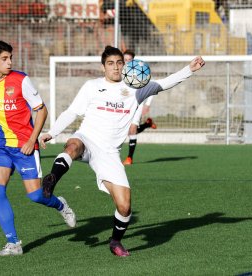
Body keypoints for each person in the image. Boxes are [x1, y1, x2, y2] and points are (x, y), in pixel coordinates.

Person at [40, 46, 205, 257]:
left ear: (124, 65)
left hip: (109, 153)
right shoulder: (92, 86)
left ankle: (115, 241)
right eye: (111, 63)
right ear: (103, 67)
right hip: (87, 139)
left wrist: (189, 69)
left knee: (125, 205)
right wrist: (51, 132)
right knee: (72, 146)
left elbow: (164, 83)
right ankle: (52, 180)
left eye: (119, 63)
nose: (116, 67)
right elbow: (72, 112)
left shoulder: (136, 88)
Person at [0, 41, 76, 256]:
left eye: (10, 58)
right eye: (4, 59)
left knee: (36, 196)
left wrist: (32, 140)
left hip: (24, 145)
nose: (9, 62)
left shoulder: (21, 80)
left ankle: (60, 205)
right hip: (0, 145)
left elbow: (41, 110)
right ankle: (14, 244)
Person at [123, 49, 157, 165]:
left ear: (133, 60)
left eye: (129, 60)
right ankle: (147, 124)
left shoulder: (139, 71)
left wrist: (147, 104)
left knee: (132, 130)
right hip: (125, 105)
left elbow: (153, 85)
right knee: (129, 131)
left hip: (138, 103)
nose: (127, 62)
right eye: (125, 59)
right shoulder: (121, 73)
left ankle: (129, 158)